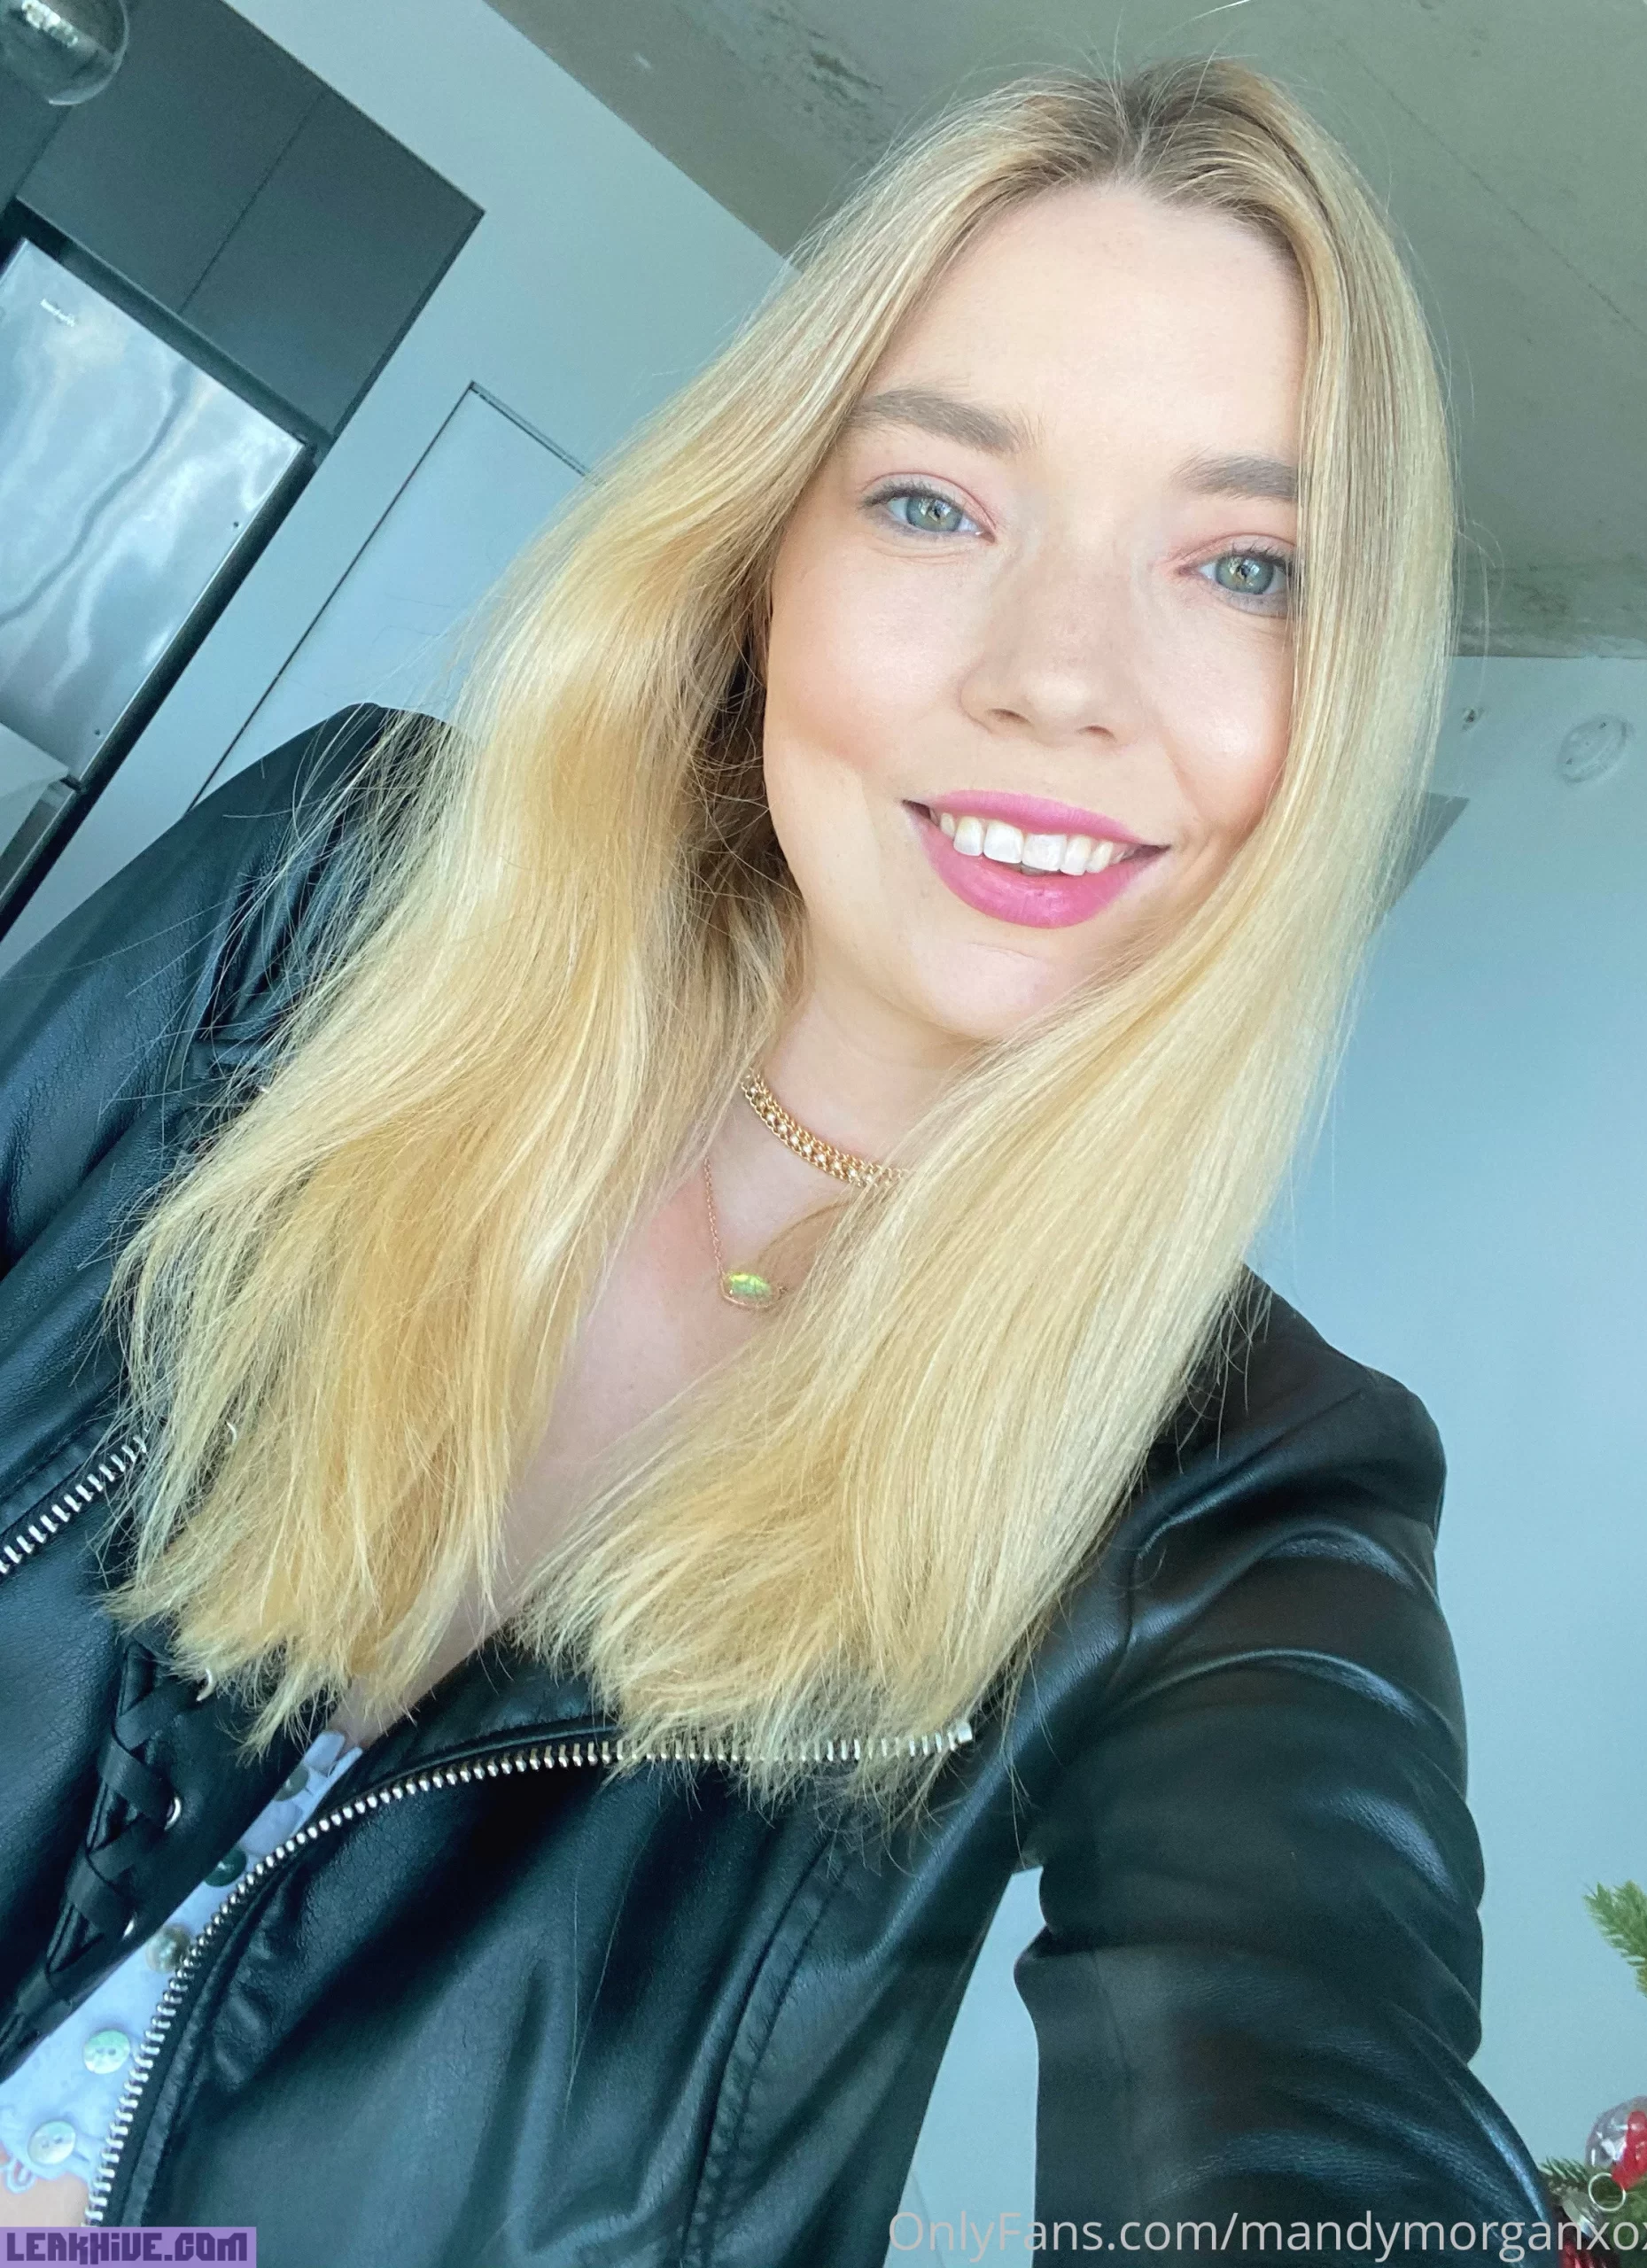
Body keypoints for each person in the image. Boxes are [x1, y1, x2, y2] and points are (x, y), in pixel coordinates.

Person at [0, 57, 1558, 2264]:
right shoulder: (321, 898)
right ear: (762, 557)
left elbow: (1317, 2101)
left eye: (1242, 565)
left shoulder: (1243, 1492)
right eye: (935, 502)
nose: (1059, 679)